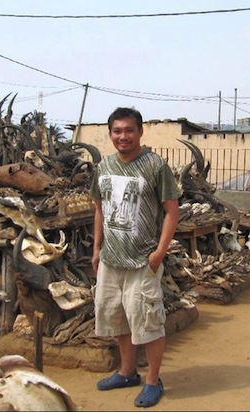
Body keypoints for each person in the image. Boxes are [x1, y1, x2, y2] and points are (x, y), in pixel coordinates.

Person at [90, 107, 180, 408]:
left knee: (149, 322)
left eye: (129, 130)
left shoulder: (155, 166)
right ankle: (127, 372)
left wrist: (158, 253)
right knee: (118, 319)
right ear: (110, 134)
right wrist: (96, 249)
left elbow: (172, 212)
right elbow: (99, 209)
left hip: (142, 261)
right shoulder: (103, 167)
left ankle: (153, 380)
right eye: (117, 131)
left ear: (140, 132)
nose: (123, 136)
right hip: (110, 261)